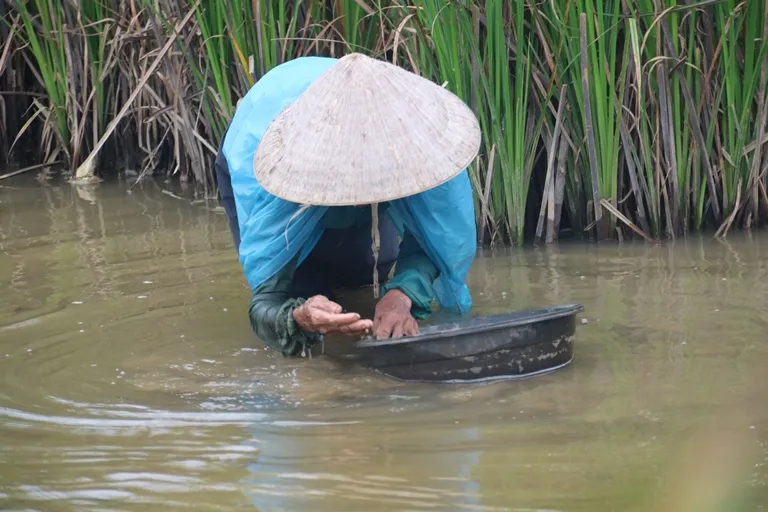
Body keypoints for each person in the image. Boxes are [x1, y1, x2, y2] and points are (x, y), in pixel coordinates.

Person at [214, 53, 481, 357]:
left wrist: (401, 295)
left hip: (375, 134)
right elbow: (266, 301)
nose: (359, 200)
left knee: (369, 269)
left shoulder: (428, 149)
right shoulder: (278, 177)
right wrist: (298, 316)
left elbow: (436, 240)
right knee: (303, 290)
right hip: (260, 136)